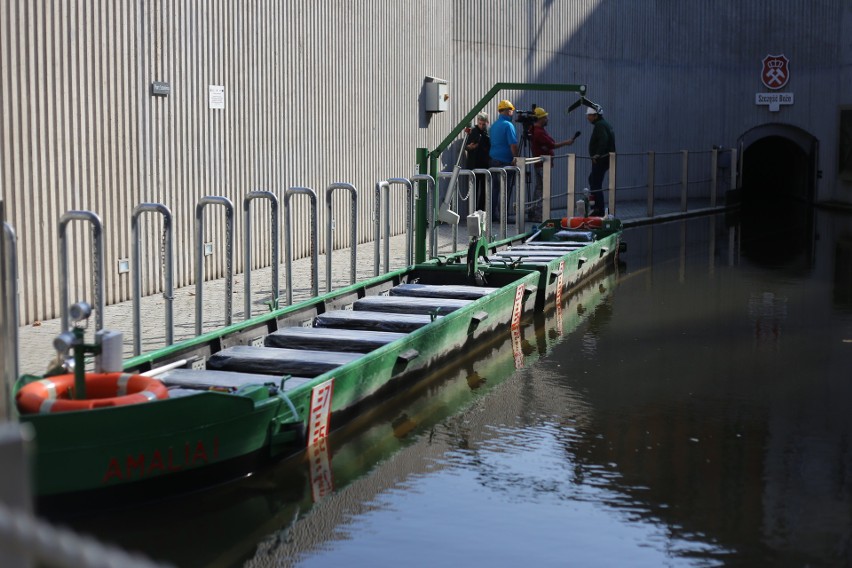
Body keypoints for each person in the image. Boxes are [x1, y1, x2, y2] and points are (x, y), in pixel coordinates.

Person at [529, 106, 576, 220]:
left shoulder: (534, 130)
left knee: (539, 188)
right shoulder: (539, 132)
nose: (547, 119)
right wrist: (566, 142)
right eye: (545, 117)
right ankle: (541, 215)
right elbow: (551, 144)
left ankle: (535, 213)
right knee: (544, 190)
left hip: (540, 164)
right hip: (543, 164)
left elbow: (549, 144)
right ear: (540, 118)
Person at [489, 99, 519, 219]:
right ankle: (503, 217)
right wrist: (516, 158)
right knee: (505, 190)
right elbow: (513, 144)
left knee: (495, 189)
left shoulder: (494, 125)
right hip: (505, 161)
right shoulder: (508, 125)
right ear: (507, 111)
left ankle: (492, 216)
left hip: (493, 160)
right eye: (511, 110)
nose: (512, 113)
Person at [586, 106, 616, 216]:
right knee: (593, 180)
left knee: (595, 183)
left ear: (595, 115)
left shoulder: (599, 125)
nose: (587, 117)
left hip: (601, 159)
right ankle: (597, 208)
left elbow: (603, 139)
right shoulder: (605, 124)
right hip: (606, 158)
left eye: (589, 115)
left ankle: (598, 210)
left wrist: (597, 154)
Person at [465, 112, 491, 212]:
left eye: (483, 124)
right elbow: (466, 146)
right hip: (474, 164)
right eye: (480, 123)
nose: (481, 126)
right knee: (474, 190)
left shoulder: (488, 132)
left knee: (484, 190)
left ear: (487, 123)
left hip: (485, 164)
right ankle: (473, 210)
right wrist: (470, 147)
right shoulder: (473, 131)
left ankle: (481, 210)